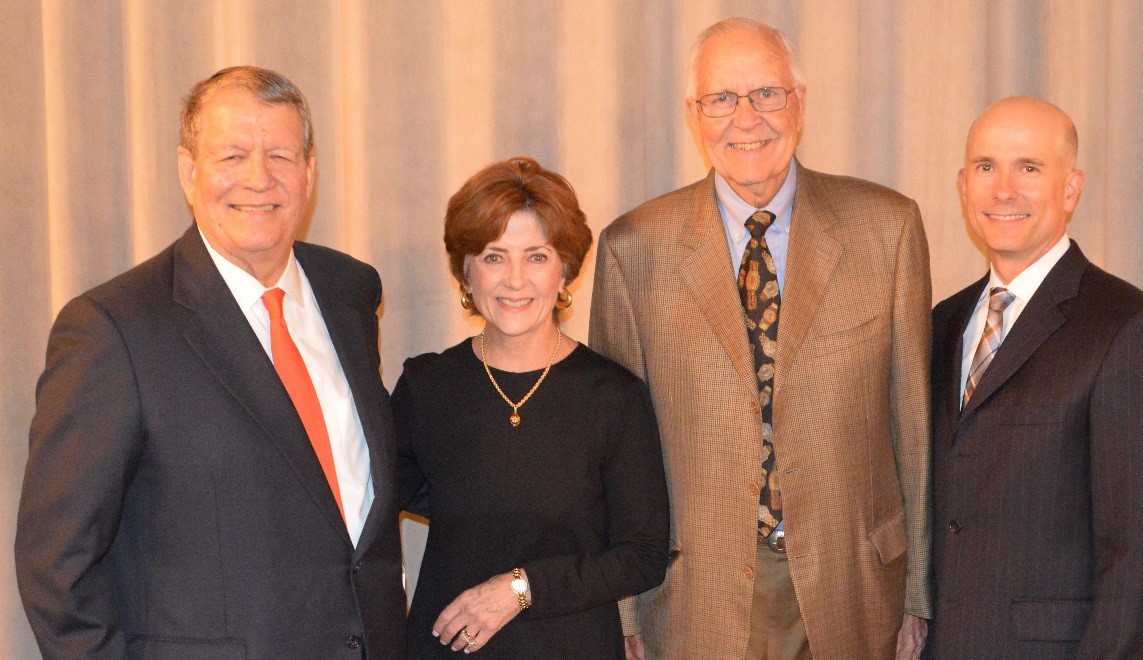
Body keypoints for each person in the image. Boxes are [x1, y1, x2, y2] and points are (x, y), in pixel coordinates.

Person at [15, 66, 407, 658]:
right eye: (232, 156)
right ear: (189, 171)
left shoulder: (349, 290)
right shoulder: (114, 328)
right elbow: (56, 566)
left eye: (280, 155)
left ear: (309, 172)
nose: (259, 178)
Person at [590, 17, 931, 660]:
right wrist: (625, 611)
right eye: (721, 98)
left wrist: (918, 595)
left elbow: (912, 426)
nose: (746, 119)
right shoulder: (633, 248)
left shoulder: (888, 229)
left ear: (800, 102)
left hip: (855, 590)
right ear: (694, 115)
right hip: (694, 600)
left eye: (767, 94)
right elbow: (614, 454)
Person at [926, 95, 1143, 658]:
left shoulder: (1134, 330)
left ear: (1071, 189)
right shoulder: (941, 323)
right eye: (986, 167)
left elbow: (1142, 564)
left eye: (1029, 168)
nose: (1004, 190)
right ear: (963, 185)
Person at [391, 157, 670, 658]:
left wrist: (521, 589)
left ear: (565, 271)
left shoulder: (613, 396)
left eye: (537, 257)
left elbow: (642, 556)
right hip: (448, 648)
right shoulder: (426, 387)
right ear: (466, 272)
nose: (515, 280)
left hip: (572, 647)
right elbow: (364, 511)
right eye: (494, 257)